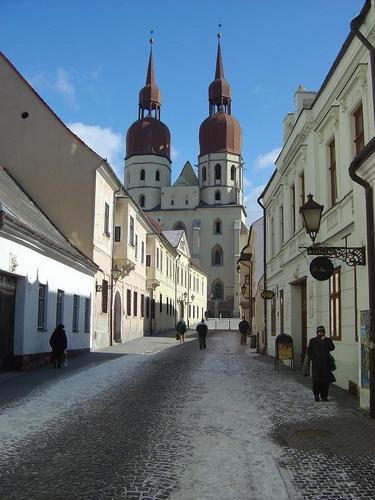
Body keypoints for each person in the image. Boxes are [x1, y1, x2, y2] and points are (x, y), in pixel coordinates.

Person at [307, 325, 335, 402]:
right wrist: (314, 359)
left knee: (325, 382)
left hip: (326, 365)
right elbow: (309, 352)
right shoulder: (312, 340)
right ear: (317, 332)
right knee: (316, 381)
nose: (320, 333)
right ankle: (316, 395)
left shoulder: (328, 340)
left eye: (322, 331)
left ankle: (324, 396)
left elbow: (332, 348)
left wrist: (325, 341)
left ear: (324, 332)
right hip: (316, 365)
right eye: (319, 332)